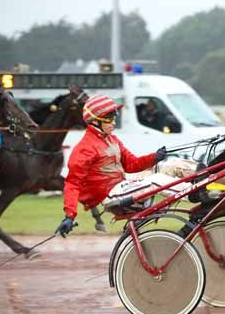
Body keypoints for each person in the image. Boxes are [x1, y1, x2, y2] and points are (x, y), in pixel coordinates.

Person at [55, 94, 167, 237]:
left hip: (123, 187)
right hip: (112, 196)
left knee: (167, 168)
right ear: (94, 121)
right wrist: (70, 215)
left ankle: (199, 193)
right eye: (109, 118)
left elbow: (132, 165)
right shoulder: (84, 148)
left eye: (114, 117)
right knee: (158, 180)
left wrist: (154, 158)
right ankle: (193, 194)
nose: (113, 122)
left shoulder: (113, 139)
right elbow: (72, 183)